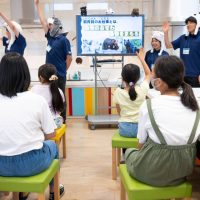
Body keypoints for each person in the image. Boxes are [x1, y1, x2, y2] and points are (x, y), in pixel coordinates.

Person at [125, 55, 200, 187]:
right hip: (182, 172)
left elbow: (140, 144)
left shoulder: (149, 105)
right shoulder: (194, 106)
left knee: (129, 152)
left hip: (151, 172)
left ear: (158, 82)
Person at [0, 53, 64, 200]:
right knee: (52, 145)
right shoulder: (36, 100)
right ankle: (55, 190)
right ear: (25, 74)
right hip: (30, 163)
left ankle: (17, 192)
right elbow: (51, 135)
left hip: (1, 165)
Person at [34, 0, 72, 123]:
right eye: (49, 25)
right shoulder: (50, 38)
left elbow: (69, 58)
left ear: (56, 26)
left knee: (60, 97)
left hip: (59, 75)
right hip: (47, 74)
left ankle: (62, 120)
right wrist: (37, 5)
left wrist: (63, 70)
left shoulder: (63, 40)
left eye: (51, 25)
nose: (48, 27)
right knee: (48, 97)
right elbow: (43, 22)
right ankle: (49, 119)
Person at [113, 48, 151, 138]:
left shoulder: (118, 92)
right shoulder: (143, 89)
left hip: (124, 129)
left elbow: (119, 111)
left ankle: (126, 152)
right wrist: (141, 58)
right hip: (141, 129)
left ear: (122, 78)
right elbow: (149, 74)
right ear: (138, 78)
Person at [163, 16, 200, 87]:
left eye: (191, 22)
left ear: (196, 24)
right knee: (184, 96)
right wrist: (166, 33)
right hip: (183, 76)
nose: (188, 25)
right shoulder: (183, 38)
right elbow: (168, 46)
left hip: (196, 76)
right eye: (187, 23)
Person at [31, 64, 65, 128]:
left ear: (41, 77)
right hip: (56, 123)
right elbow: (60, 109)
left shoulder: (34, 89)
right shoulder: (59, 90)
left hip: (41, 124)